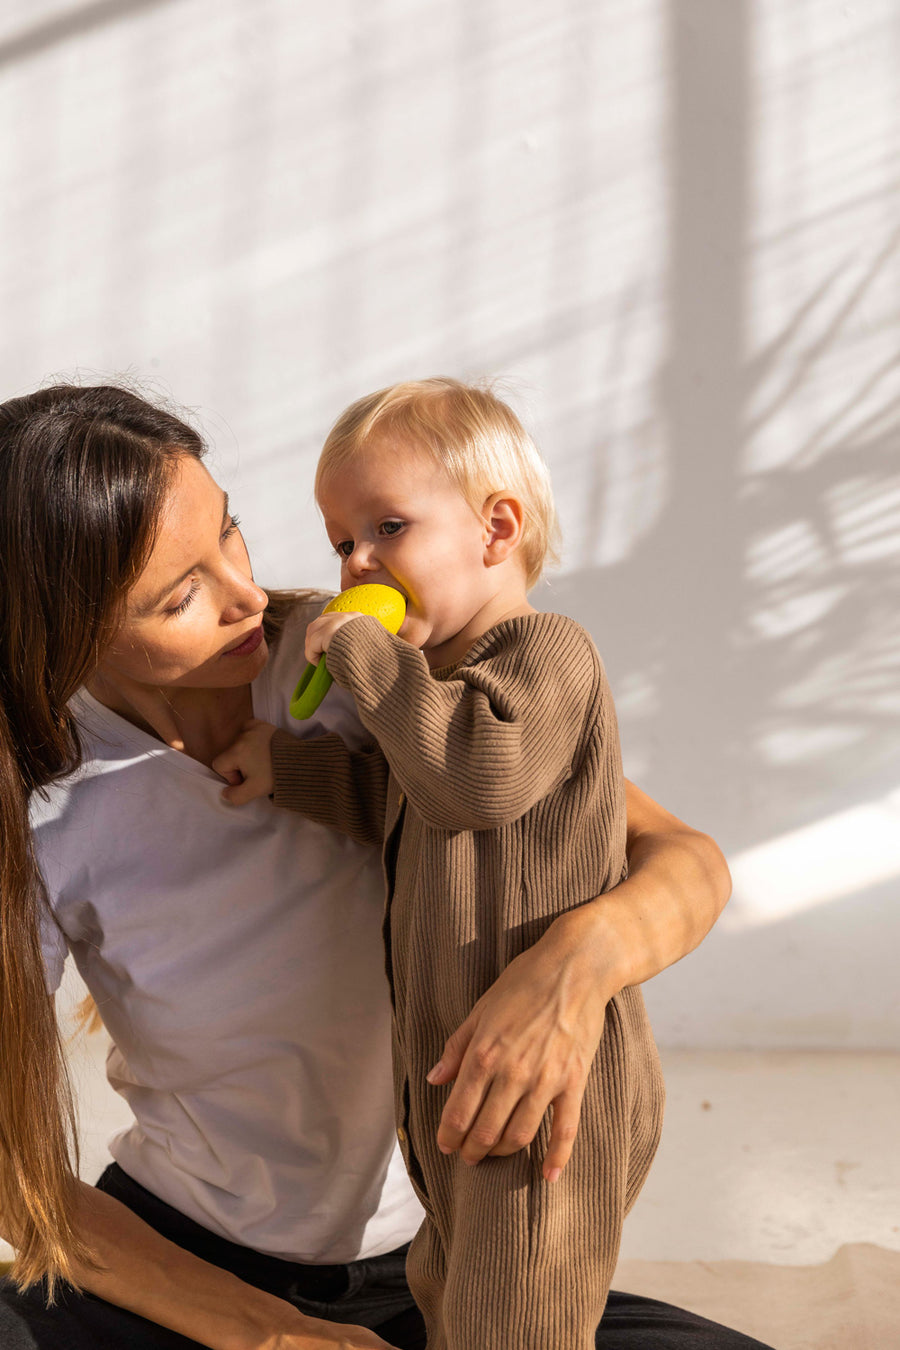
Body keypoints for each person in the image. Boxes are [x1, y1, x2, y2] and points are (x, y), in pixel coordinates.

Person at [0, 382, 773, 1350]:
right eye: (181, 593)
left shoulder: (363, 663)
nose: (248, 593)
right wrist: (265, 1334)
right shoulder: (46, 806)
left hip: (439, 1258)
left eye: (228, 532)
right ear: (70, 631)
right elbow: (12, 1171)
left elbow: (684, 859)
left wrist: (573, 968)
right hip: (191, 1260)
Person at [215, 378, 659, 1347]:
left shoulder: (547, 656)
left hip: (543, 1099)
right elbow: (398, 804)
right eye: (342, 542)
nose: (358, 563)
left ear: (497, 530)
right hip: (463, 1080)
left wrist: (371, 660)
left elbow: (476, 781)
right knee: (448, 1284)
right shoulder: (441, 691)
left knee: (518, 1316)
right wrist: (287, 769)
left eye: (388, 527)